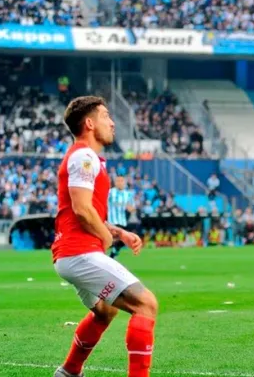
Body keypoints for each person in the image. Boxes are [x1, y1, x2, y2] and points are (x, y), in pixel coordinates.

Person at [51, 96, 158, 377]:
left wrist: (118, 232)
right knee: (146, 304)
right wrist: (105, 237)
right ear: (89, 123)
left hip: (72, 253)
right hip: (79, 252)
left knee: (105, 311)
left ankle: (69, 372)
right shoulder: (84, 157)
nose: (112, 122)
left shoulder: (86, 157)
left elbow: (85, 210)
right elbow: (82, 209)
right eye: (106, 116)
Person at [108, 175, 136, 259]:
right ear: (115, 183)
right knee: (109, 240)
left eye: (121, 181)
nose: (119, 183)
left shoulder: (128, 194)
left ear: (124, 183)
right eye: (118, 181)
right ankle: (109, 255)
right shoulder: (110, 192)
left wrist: (130, 208)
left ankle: (113, 254)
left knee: (123, 240)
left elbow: (132, 208)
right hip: (111, 222)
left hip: (123, 221)